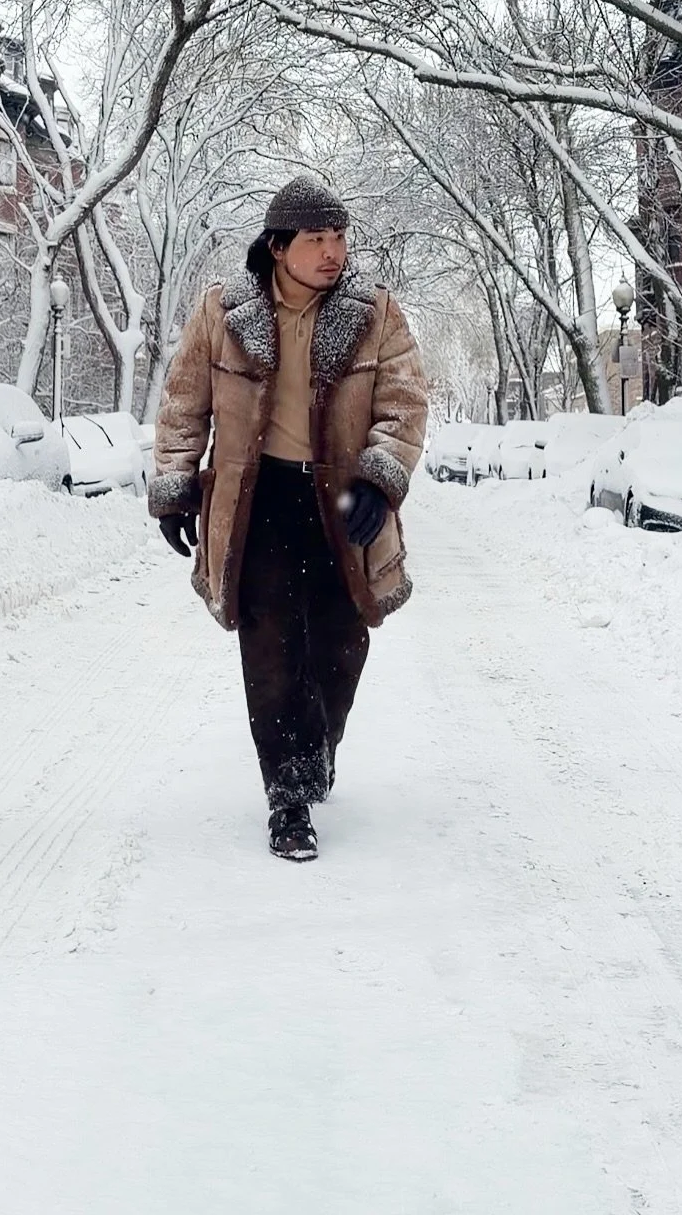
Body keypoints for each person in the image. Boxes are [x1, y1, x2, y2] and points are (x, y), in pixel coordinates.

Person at [148, 174, 429, 862]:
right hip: (259, 502)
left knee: (341, 644)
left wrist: (379, 480)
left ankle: (319, 744)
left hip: (340, 500)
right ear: (279, 247)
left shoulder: (373, 312)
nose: (333, 252)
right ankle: (287, 797)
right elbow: (185, 403)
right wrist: (176, 485)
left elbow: (405, 403)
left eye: (339, 238)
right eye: (316, 240)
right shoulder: (224, 312)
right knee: (270, 648)